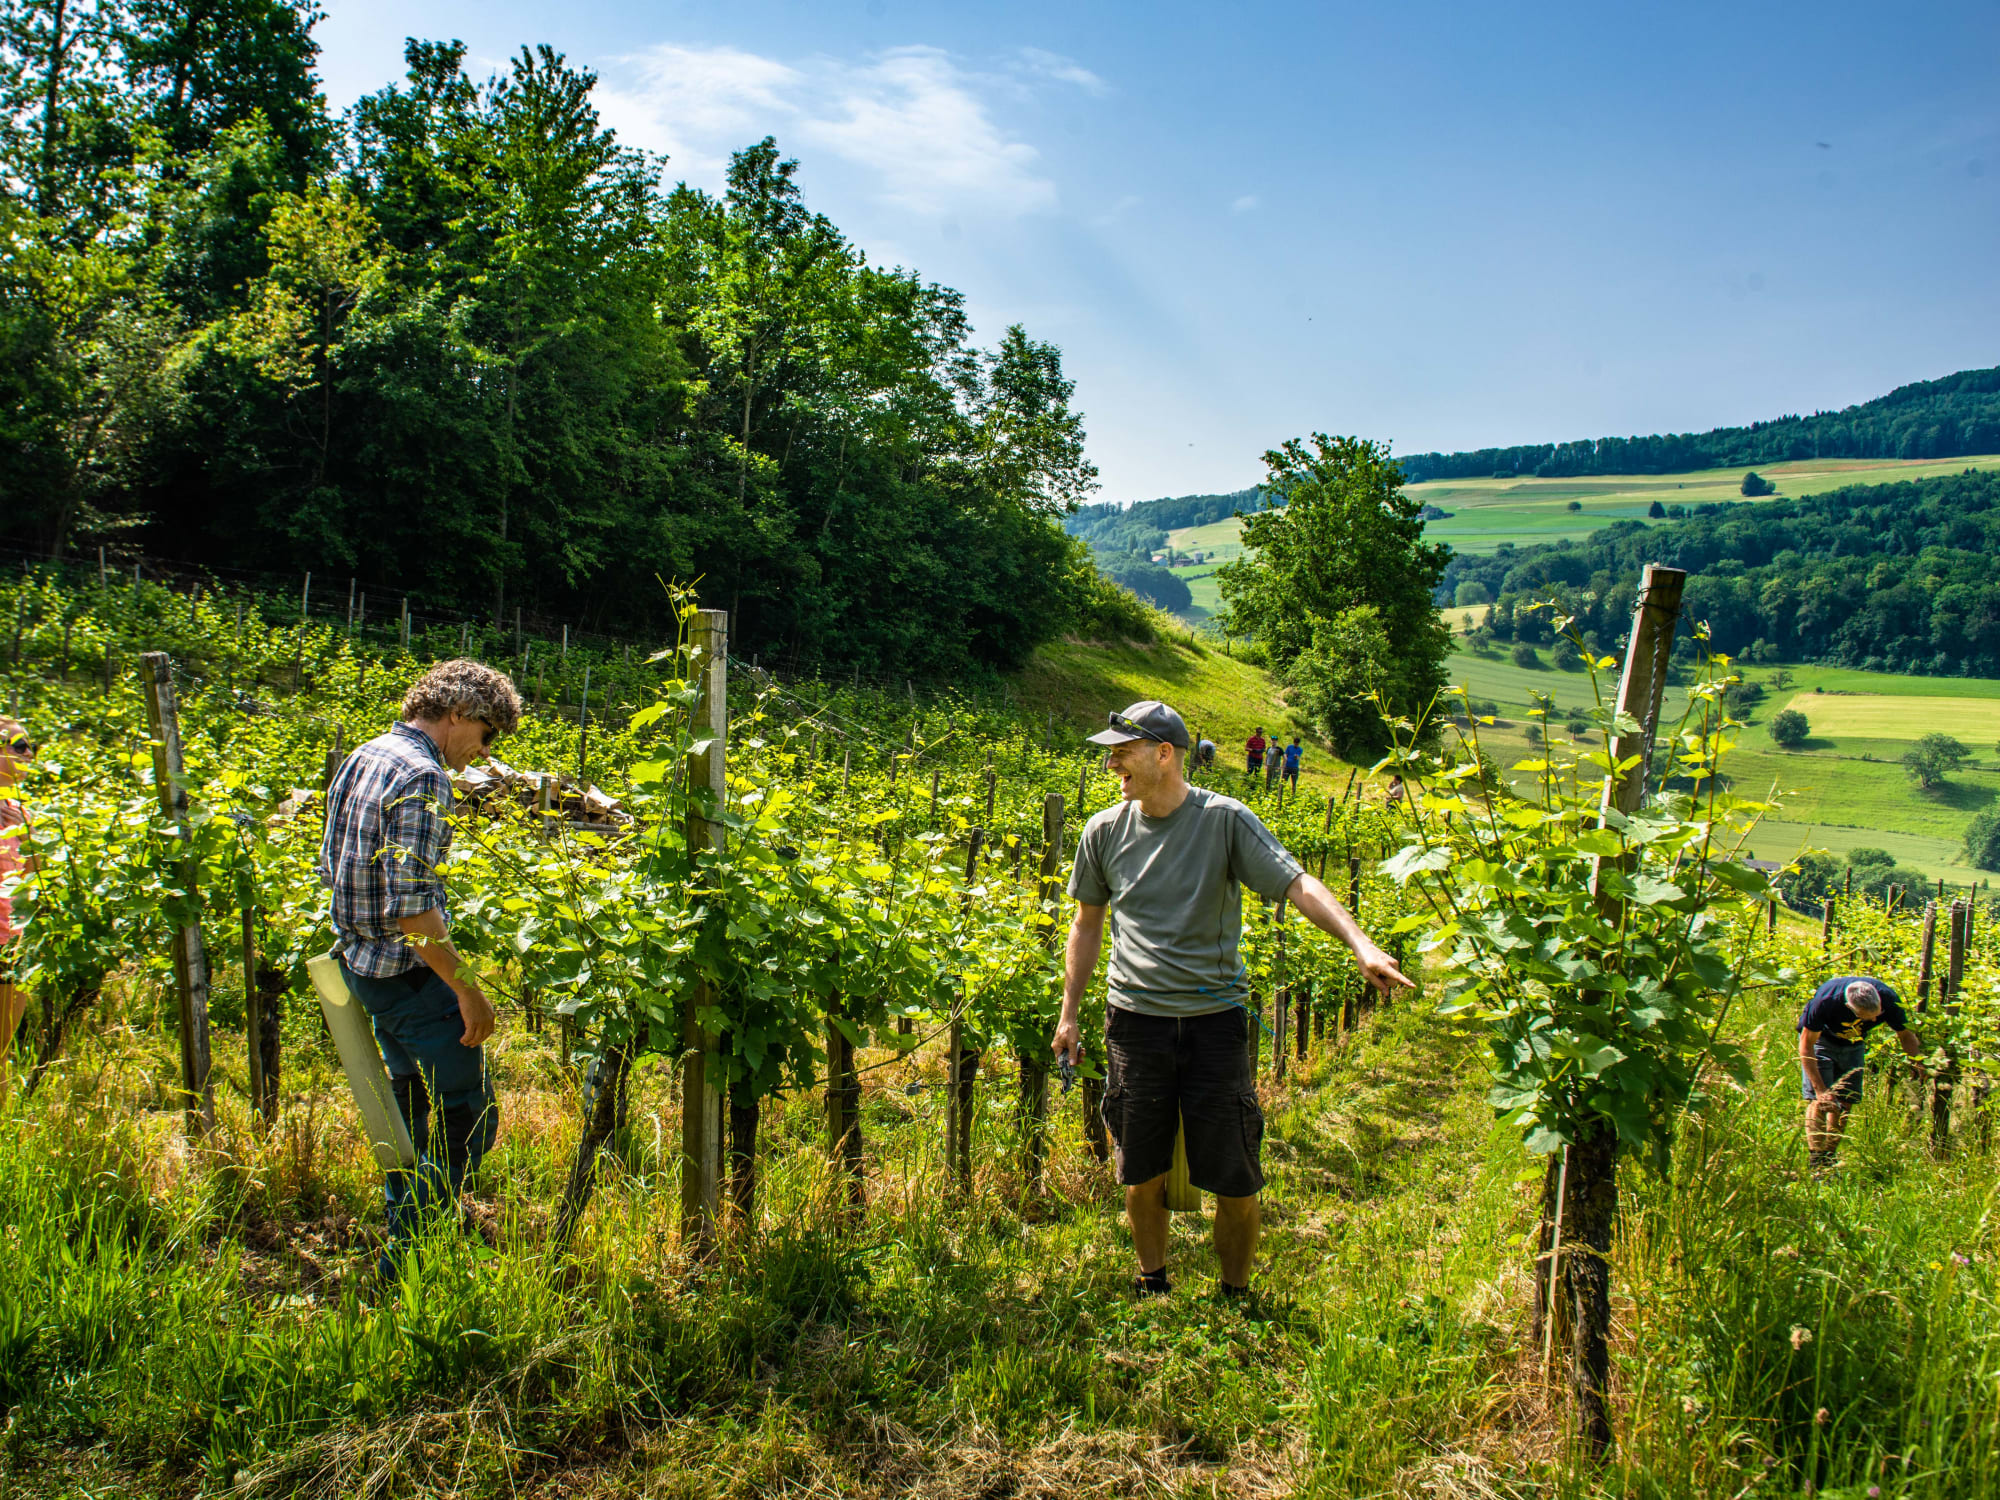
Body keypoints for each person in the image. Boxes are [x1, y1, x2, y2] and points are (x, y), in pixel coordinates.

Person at [1052, 699, 1412, 1301]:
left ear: (1163, 754)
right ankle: (1152, 1281)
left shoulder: (1224, 820)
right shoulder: (1102, 831)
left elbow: (1297, 882)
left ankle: (1235, 1294)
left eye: (1122, 751)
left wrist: (1361, 944)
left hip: (1213, 1025)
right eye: (1110, 753)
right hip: (1134, 1024)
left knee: (1237, 1177)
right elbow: (1087, 924)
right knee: (1139, 1173)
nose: (1112, 762)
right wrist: (1069, 1014)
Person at [318, 660, 521, 1271]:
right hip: (410, 977)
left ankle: (406, 1232)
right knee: (468, 1116)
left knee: (409, 1114)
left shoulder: (367, 754)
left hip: (362, 965)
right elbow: (412, 908)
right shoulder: (422, 776)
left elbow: (335, 863)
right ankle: (410, 1256)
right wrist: (468, 989)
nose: (483, 753)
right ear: (459, 712)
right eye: (486, 735)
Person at [1798, 975, 1924, 1171]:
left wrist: (1919, 1064)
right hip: (1821, 1042)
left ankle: (1829, 1159)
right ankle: (1816, 1161)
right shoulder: (1825, 1002)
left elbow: (1906, 1035)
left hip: (1854, 1044)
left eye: (1877, 1014)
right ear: (1850, 1007)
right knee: (1820, 1101)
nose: (1875, 1020)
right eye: (1867, 1017)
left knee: (1846, 1101)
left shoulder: (1889, 1000)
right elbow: (1806, 1046)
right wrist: (1820, 1089)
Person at [0, 718, 32, 1098]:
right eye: (20, 745)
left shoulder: (20, 813)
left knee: (3, 1050)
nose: (30, 754)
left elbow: (33, 877)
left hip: (12, 942)